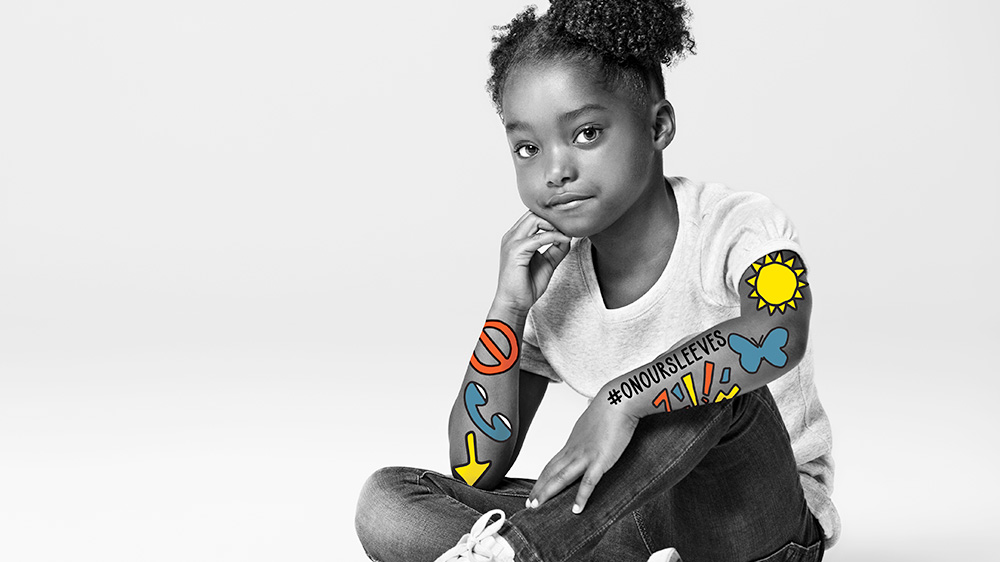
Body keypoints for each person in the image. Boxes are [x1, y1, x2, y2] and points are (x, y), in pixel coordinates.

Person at [355, 1, 839, 561]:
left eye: (586, 133)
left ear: (659, 126)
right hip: (628, 523)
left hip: (751, 523)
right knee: (389, 501)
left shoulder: (740, 226)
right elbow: (477, 466)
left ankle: (519, 553)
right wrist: (509, 306)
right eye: (527, 148)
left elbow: (775, 337)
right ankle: (528, 551)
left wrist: (621, 399)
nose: (555, 170)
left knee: (711, 389)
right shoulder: (555, 284)